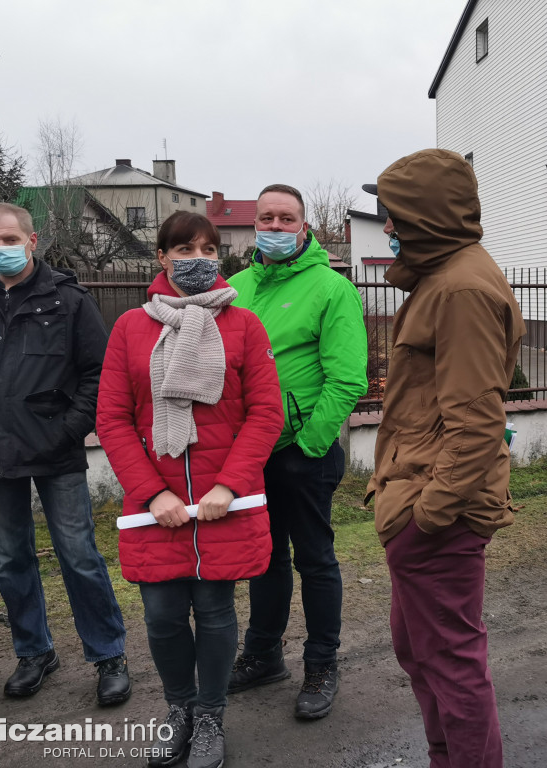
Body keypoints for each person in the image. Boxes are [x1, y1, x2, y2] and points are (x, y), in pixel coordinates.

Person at [96, 211, 283, 768]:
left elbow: (265, 413)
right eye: (184, 249)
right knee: (162, 615)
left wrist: (230, 483)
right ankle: (178, 710)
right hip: (156, 504)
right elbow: (112, 418)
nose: (197, 259)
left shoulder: (244, 325)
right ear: (161, 257)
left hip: (222, 502)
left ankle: (208, 716)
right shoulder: (130, 327)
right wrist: (153, 494)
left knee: (218, 612)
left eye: (208, 249)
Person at [363, 148, 527, 768]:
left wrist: (428, 516)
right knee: (420, 650)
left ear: (426, 215)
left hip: (439, 513)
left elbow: (478, 424)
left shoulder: (460, 288)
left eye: (396, 215)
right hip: (419, 501)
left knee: (452, 662)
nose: (388, 228)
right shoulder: (442, 276)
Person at [0, 203, 130, 705]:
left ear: (32, 239)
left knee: (80, 556)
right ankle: (34, 652)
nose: (0, 248)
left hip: (55, 449)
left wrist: (68, 429)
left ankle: (108, 655)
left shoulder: (69, 301)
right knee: (10, 560)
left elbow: (99, 374)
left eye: (9, 239)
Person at [225, 183, 367, 719]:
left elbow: (348, 378)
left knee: (315, 559)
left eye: (287, 218)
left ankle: (321, 663)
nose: (277, 227)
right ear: (255, 225)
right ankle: (262, 654)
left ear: (304, 226)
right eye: (267, 218)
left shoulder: (331, 289)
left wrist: (306, 444)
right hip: (249, 453)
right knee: (262, 558)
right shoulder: (235, 287)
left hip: (302, 452)